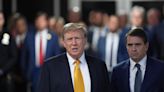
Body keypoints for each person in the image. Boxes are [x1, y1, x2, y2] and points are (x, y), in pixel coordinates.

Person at [37, 23, 110, 92]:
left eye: (77, 38)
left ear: (85, 41)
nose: (74, 43)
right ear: (64, 43)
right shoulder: (50, 67)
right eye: (69, 39)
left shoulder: (99, 66)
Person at [110, 28, 164, 92]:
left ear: (146, 46)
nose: (133, 49)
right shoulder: (117, 71)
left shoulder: (160, 68)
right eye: (130, 45)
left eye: (137, 45)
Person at [21, 12, 61, 92]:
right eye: (38, 20)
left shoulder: (53, 37)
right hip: (32, 72)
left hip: (49, 73)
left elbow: (57, 56)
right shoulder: (29, 36)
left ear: (46, 22)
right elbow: (23, 57)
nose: (39, 22)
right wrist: (25, 73)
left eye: (42, 20)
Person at [0, 11, 17, 92]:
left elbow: (14, 56)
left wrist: (2, 70)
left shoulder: (8, 35)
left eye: (0, 19)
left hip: (5, 77)